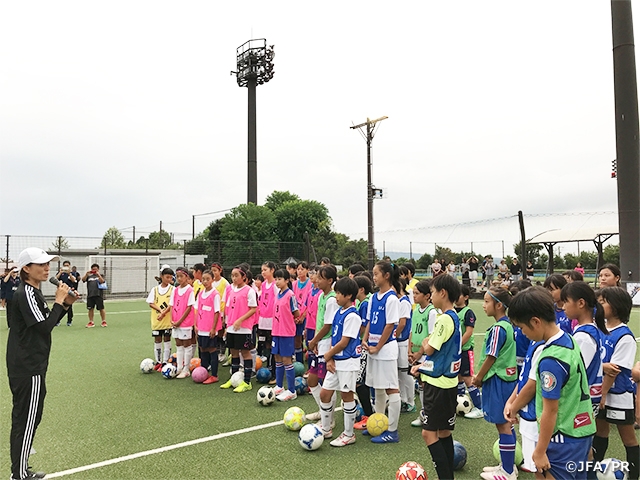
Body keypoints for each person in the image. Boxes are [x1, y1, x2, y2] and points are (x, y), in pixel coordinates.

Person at [508, 287, 596, 480]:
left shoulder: (551, 359)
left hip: (563, 436)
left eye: (521, 328)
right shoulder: (568, 340)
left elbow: (551, 410)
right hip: (581, 430)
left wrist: (539, 451)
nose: (522, 333)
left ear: (535, 322)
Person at [8, 247, 79, 480]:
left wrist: (65, 303)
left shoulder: (33, 292)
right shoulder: (26, 292)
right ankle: (19, 474)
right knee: (26, 419)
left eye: (48, 263)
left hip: (30, 365)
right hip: (28, 366)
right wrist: (58, 300)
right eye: (41, 264)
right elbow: (44, 329)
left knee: (28, 417)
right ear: (26, 269)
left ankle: (20, 469)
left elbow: (48, 323)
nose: (47, 267)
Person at [411, 273, 461, 480]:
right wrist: (422, 365)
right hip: (449, 382)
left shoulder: (443, 320)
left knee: (428, 433)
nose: (430, 296)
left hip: (438, 384)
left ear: (443, 293)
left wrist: (424, 345)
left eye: (432, 292)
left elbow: (430, 348)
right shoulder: (454, 316)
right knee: (443, 432)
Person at [593, 287, 638, 480]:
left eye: (604, 302)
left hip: (618, 395)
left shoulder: (625, 337)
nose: (599, 305)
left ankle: (635, 474)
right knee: (600, 432)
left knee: (627, 437)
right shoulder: (598, 328)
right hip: (601, 392)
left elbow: (614, 370)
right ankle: (592, 472)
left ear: (617, 307)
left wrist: (602, 394)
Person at [474, 287, 518, 480]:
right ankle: (507, 465)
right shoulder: (507, 325)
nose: (484, 306)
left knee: (503, 425)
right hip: (506, 379)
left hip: (499, 380)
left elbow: (491, 357)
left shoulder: (499, 328)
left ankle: (507, 471)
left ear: (499, 305)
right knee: (507, 424)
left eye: (486, 301)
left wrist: (478, 378)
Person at [319, 277, 362, 446]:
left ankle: (349, 434)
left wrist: (328, 355)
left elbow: (344, 342)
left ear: (348, 295)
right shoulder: (339, 312)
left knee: (346, 396)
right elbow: (334, 337)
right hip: (337, 361)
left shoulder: (353, 316)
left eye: (339, 293)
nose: (336, 296)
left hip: (348, 361)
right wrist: (330, 358)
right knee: (325, 394)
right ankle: (326, 428)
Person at [362, 260, 401, 444]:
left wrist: (378, 346)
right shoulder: (373, 297)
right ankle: (379, 424)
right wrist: (365, 338)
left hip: (385, 350)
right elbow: (370, 321)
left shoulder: (392, 298)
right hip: (373, 348)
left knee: (391, 387)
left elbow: (390, 325)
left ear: (386, 275)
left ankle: (392, 430)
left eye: (376, 274)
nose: (374, 277)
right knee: (377, 386)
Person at [561, 281, 608, 416]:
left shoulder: (583, 336)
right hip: (586, 396)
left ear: (581, 303)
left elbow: (576, 371)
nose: (563, 307)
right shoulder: (587, 329)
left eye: (566, 302)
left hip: (582, 399)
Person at [307, 265, 339, 423]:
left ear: (330, 280)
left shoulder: (333, 299)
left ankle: (329, 419)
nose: (317, 280)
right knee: (312, 380)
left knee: (327, 384)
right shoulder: (321, 296)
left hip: (326, 343)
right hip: (319, 342)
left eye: (320, 278)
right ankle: (323, 411)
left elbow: (328, 325)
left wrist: (314, 340)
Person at [220, 266, 257, 393]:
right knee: (233, 352)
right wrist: (227, 324)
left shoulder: (249, 291)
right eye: (232, 275)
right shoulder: (231, 290)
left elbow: (253, 309)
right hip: (231, 327)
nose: (234, 278)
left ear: (244, 277)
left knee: (245, 353)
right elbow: (229, 308)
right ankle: (234, 379)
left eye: (236, 275)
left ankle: (247, 382)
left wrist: (240, 320)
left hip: (244, 328)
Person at [407, 279, 435, 427]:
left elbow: (430, 336)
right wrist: (409, 350)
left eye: (417, 293)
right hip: (415, 353)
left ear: (427, 296)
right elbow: (412, 331)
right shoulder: (416, 310)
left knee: (426, 385)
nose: (414, 296)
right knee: (420, 385)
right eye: (414, 293)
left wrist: (419, 354)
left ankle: (428, 414)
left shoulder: (431, 312)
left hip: (425, 355)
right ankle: (424, 413)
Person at [271, 269, 300, 401]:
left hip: (286, 332)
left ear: (287, 280)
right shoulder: (278, 294)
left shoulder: (290, 295)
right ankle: (279, 386)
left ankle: (292, 390)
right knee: (277, 358)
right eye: (276, 279)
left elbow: (296, 313)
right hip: (276, 331)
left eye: (279, 279)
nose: (277, 282)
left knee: (287, 359)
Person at [456, 284, 483, 419]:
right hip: (456, 351)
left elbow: (469, 332)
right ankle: (459, 403)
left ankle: (480, 407)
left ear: (466, 297)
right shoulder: (453, 311)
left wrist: (457, 346)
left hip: (465, 350)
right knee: (458, 378)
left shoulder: (468, 312)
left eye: (459, 294)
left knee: (467, 378)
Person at [353, 274, 374, 429]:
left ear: (360, 289)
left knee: (360, 382)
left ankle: (368, 415)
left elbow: (364, 326)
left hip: (364, 347)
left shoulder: (365, 304)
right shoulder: (362, 303)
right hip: (362, 346)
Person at [195, 269, 222, 384]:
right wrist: (196, 325)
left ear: (212, 280)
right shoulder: (201, 293)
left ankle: (214, 375)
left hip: (210, 328)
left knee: (212, 349)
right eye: (203, 279)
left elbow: (217, 312)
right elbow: (197, 309)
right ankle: (204, 372)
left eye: (207, 279)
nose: (205, 281)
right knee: (202, 348)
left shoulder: (215, 294)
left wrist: (213, 328)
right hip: (201, 327)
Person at [169, 267, 196, 378]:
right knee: (178, 344)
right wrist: (172, 319)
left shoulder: (190, 290)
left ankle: (186, 368)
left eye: (181, 276)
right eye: (177, 276)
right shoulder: (175, 290)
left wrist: (180, 321)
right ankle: (179, 367)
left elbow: (189, 308)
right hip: (175, 322)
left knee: (186, 344)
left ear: (187, 277)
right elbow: (171, 305)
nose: (179, 278)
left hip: (185, 323)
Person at [146, 267, 174, 370]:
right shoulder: (155, 289)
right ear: (161, 277)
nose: (169, 279)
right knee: (157, 339)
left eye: (170, 278)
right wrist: (160, 311)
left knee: (167, 338)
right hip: (156, 320)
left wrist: (164, 313)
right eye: (167, 277)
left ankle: (165, 362)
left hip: (167, 321)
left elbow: (171, 304)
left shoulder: (173, 289)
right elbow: (151, 303)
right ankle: (158, 361)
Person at [396, 278, 415, 413]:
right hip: (397, 342)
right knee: (399, 374)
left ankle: (410, 401)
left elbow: (402, 324)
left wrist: (392, 336)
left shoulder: (404, 302)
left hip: (402, 342)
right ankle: (403, 400)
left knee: (405, 374)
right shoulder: (397, 301)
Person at [257, 261, 276, 383]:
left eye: (265, 270)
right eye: (262, 270)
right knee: (264, 346)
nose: (263, 272)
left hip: (272, 320)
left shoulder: (275, 285)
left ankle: (273, 371)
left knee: (272, 345)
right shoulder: (263, 285)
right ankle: (267, 370)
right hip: (262, 319)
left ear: (272, 270)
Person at [293, 261, 312, 364]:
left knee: (307, 338)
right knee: (297, 339)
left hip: (307, 316)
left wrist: (303, 316)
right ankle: (298, 362)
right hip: (296, 316)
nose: (299, 271)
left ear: (307, 270)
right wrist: (295, 316)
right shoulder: (294, 284)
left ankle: (310, 361)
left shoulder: (310, 284)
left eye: (302, 269)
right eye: (298, 269)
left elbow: (310, 303)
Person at [82, 263, 107, 328]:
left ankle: (103, 321)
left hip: (98, 295)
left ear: (98, 269)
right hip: (90, 295)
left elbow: (102, 281)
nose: (94, 271)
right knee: (90, 309)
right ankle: (91, 322)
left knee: (101, 308)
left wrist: (98, 275)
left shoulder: (101, 275)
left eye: (95, 269)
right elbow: (83, 280)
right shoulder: (89, 276)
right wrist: (86, 274)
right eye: (93, 269)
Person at [55, 261, 78, 326]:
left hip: (69, 292)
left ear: (69, 266)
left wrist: (69, 274)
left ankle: (69, 321)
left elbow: (74, 280)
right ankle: (57, 321)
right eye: (65, 265)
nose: (66, 266)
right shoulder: (60, 273)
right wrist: (60, 272)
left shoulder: (72, 273)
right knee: (59, 306)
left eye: (67, 265)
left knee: (69, 307)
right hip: (61, 292)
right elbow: (55, 279)